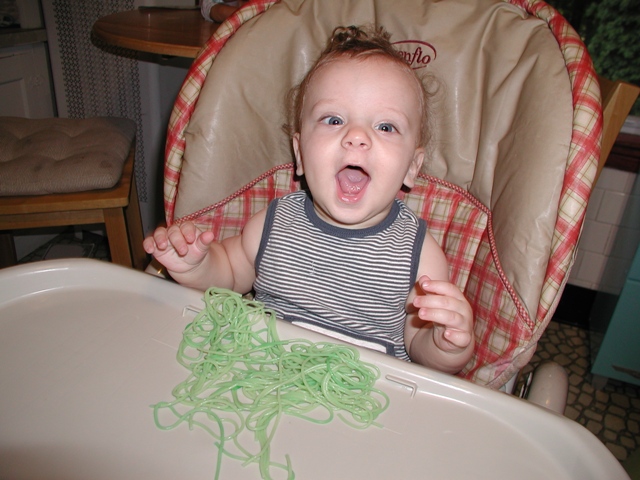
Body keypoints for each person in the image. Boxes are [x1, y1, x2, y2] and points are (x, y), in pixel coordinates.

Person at [144, 25, 474, 374]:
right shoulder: (273, 225)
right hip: (262, 378)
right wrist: (195, 266)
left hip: (363, 395)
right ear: (300, 154)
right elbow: (227, 274)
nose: (356, 136)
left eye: (385, 127)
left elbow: (420, 350)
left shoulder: (420, 258)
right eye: (334, 119)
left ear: (412, 167)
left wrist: (446, 346)